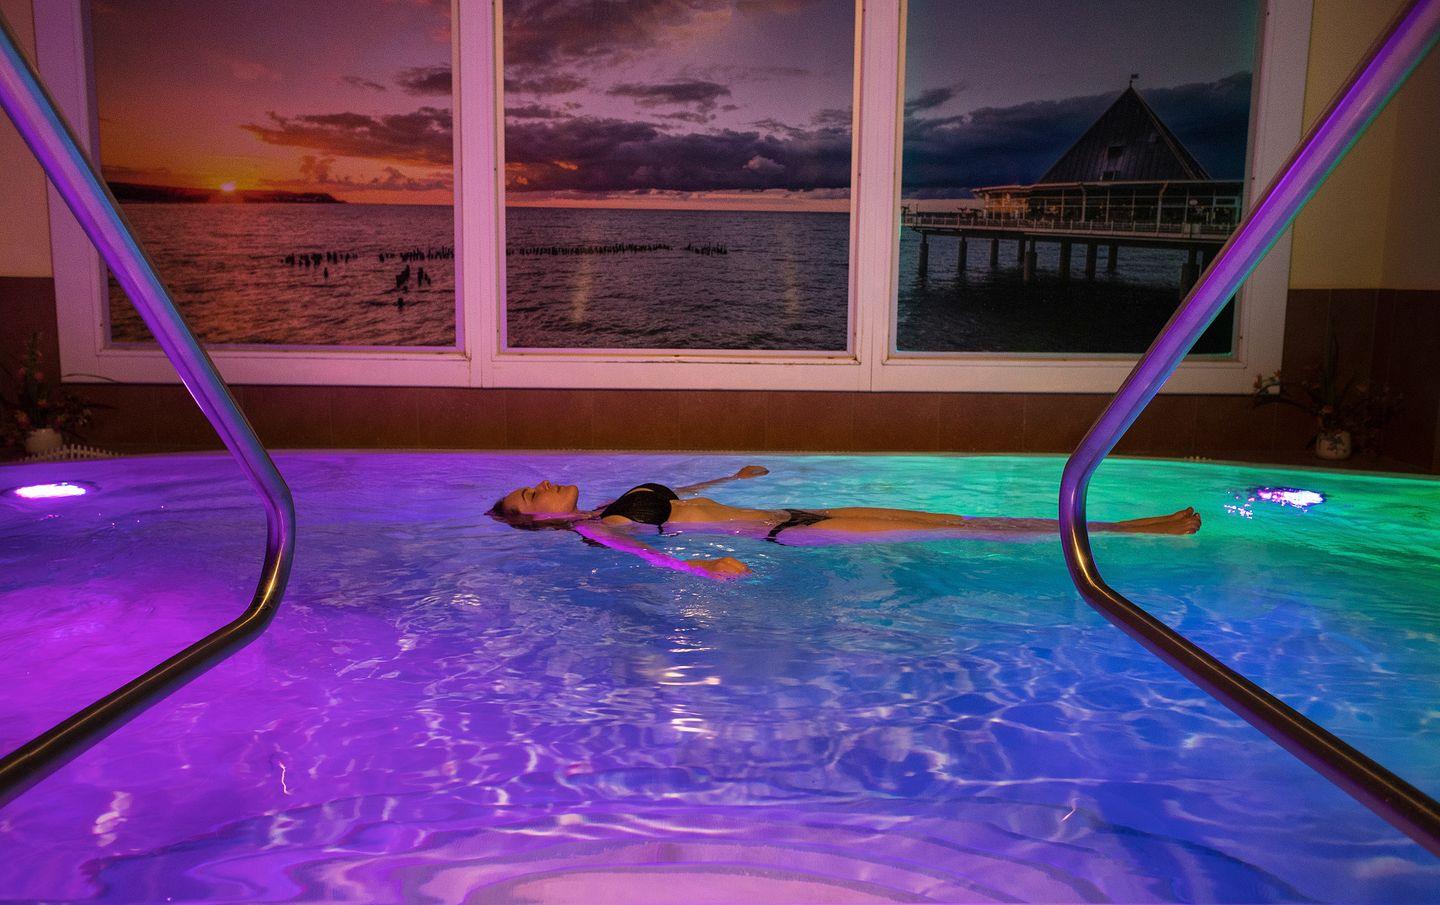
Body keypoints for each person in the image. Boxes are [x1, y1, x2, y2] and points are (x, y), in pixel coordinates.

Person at [488, 465, 1201, 580]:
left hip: (787, 514)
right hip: (786, 534)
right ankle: (1133, 529)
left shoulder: (612, 502)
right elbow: (649, 556)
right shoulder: (594, 528)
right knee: (956, 530)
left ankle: (1111, 525)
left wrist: (730, 480)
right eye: (531, 494)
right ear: (537, 520)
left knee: (952, 515)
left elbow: (680, 498)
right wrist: (699, 567)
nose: (543, 484)